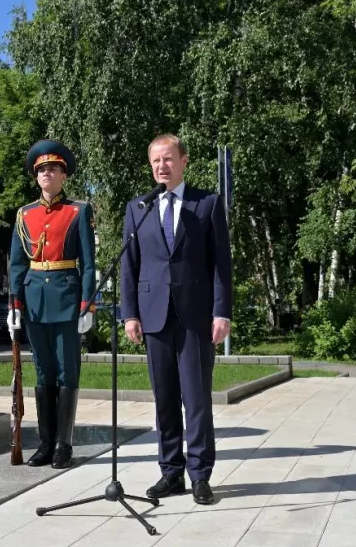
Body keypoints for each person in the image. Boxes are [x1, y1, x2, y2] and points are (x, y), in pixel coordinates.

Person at [120, 134, 231, 505]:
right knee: (164, 398)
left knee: (196, 399)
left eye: (168, 159)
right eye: (155, 161)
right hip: (153, 317)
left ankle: (200, 475)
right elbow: (129, 265)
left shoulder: (207, 204)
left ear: (184, 160)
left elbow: (221, 265)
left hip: (196, 316)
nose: (161, 167)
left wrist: (221, 311)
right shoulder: (139, 207)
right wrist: (129, 313)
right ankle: (171, 472)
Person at [7, 139, 97, 469]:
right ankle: (44, 443)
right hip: (33, 302)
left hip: (67, 300)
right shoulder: (24, 215)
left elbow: (88, 263)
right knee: (43, 371)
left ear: (64, 175)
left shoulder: (78, 211)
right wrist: (14, 305)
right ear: (36, 177)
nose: (47, 173)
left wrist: (87, 305)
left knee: (66, 370)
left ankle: (64, 444)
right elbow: (17, 264)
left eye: (54, 169)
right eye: (42, 169)